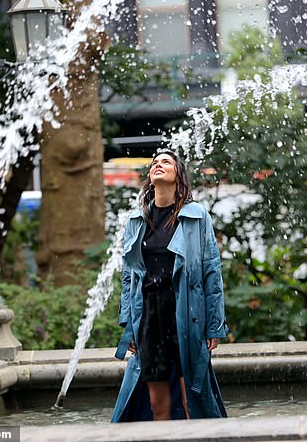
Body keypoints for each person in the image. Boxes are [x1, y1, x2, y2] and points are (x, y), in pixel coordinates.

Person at [111, 150, 228, 422]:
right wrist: (128, 324)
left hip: (186, 313)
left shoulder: (196, 216)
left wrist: (214, 325)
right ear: (150, 178)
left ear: (178, 175)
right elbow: (129, 277)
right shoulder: (137, 220)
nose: (158, 165)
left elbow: (211, 271)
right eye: (154, 163)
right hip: (149, 316)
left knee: (193, 399)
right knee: (157, 405)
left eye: (166, 162)